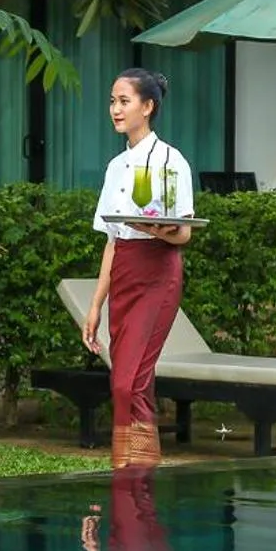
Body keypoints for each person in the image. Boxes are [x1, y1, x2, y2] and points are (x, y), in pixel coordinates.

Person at [81, 68, 195, 464]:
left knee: (128, 382)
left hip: (158, 274)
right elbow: (113, 242)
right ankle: (136, 484)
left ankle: (131, 472)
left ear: (147, 107)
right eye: (112, 101)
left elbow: (183, 235)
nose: (115, 109)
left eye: (124, 101)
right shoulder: (115, 167)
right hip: (125, 274)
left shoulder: (170, 160)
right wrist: (95, 305)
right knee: (130, 382)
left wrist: (155, 228)